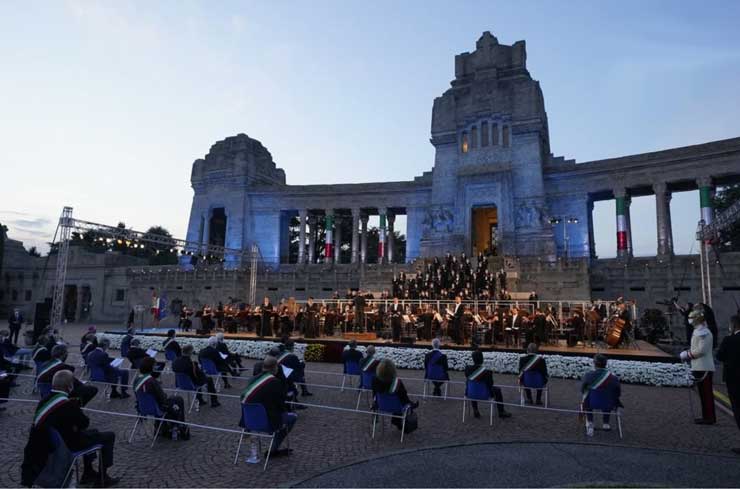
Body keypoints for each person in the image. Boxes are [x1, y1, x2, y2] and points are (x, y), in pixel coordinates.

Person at [21, 370, 119, 486]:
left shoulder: (44, 401)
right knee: (109, 436)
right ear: (70, 386)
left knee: (93, 433)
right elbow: (84, 423)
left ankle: (88, 473)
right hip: (67, 445)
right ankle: (103, 478)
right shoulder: (67, 404)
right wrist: (76, 407)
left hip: (51, 442)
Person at [240, 355, 296, 458]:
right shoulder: (275, 382)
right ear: (275, 368)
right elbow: (281, 403)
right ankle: (272, 450)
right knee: (292, 417)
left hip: (248, 421)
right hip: (267, 423)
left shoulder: (252, 379)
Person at [133, 357, 188, 440]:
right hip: (156, 408)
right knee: (178, 400)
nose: (156, 368)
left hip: (142, 408)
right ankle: (180, 426)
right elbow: (162, 398)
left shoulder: (137, 379)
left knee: (172, 401)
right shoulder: (151, 381)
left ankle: (162, 428)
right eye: (154, 366)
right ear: (150, 367)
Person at [680, 309, 716, 424]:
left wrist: (688, 354)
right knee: (702, 394)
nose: (690, 320)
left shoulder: (704, 332)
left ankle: (709, 417)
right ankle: (706, 416)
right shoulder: (699, 331)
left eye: (692, 318)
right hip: (699, 365)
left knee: (706, 394)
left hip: (704, 366)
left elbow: (701, 350)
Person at [580, 354, 621, 436]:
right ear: (605, 364)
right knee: (609, 397)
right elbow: (618, 393)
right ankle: (606, 424)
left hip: (592, 403)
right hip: (609, 404)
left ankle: (590, 422)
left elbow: (582, 389)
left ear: (594, 363)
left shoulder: (588, 375)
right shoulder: (614, 378)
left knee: (586, 397)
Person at [372, 358, 418, 430]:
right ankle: (397, 421)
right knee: (401, 401)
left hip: (381, 406)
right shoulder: (397, 383)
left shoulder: (375, 381)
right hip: (397, 408)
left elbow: (374, 395)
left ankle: (396, 420)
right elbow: (404, 398)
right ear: (393, 370)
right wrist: (410, 404)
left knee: (396, 400)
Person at [464, 350, 512, 419]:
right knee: (497, 390)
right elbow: (491, 384)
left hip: (470, 393)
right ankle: (501, 412)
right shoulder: (487, 372)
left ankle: (475, 410)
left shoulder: (467, 369)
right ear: (482, 359)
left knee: (473, 387)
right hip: (485, 394)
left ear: (473, 359)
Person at [717, 314, 740, 454]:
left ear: (733, 326)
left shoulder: (729, 339)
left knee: (738, 409)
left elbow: (719, 356)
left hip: (734, 380)